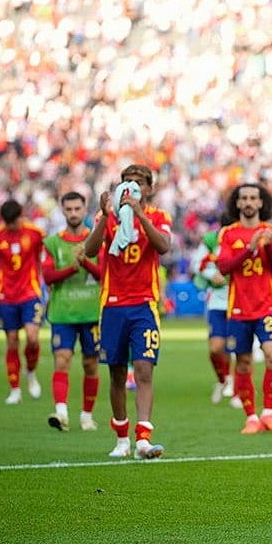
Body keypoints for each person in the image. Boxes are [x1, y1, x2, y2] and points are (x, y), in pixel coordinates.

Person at [84, 164, 171, 459]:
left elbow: (163, 246)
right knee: (117, 372)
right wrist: (106, 215)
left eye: (138, 183)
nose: (132, 187)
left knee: (144, 369)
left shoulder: (159, 217)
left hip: (144, 304)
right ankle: (121, 438)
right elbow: (90, 250)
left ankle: (143, 438)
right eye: (127, 182)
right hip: (112, 305)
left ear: (148, 189)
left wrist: (138, 212)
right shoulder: (106, 216)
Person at [215, 183, 272, 436]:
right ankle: (252, 417)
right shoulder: (227, 234)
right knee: (243, 363)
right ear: (237, 203)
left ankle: (268, 412)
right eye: (243, 198)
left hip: (267, 306)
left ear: (260, 203)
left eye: (253, 198)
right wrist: (250, 248)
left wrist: (266, 246)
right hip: (238, 309)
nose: (248, 202)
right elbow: (223, 267)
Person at [43, 192, 104, 432]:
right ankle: (61, 413)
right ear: (62, 210)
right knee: (62, 360)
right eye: (69, 209)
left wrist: (86, 261)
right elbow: (47, 276)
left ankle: (87, 416)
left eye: (77, 208)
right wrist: (72, 267)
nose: (74, 213)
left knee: (91, 365)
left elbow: (104, 275)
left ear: (85, 209)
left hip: (91, 313)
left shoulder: (96, 240)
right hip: (62, 313)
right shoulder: (53, 243)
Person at [0, 199, 46, 404]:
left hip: (30, 293)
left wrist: (45, 290)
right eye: (9, 222)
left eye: (16, 220)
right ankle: (15, 389)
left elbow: (41, 262)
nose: (13, 225)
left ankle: (30, 372)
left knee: (32, 337)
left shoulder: (36, 233)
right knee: (11, 341)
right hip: (7, 296)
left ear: (22, 215)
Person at [190, 215, 239, 406]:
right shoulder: (212, 240)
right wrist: (212, 274)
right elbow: (197, 263)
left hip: (241, 300)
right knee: (216, 348)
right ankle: (223, 379)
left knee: (239, 349)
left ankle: (238, 392)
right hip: (218, 301)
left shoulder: (247, 238)